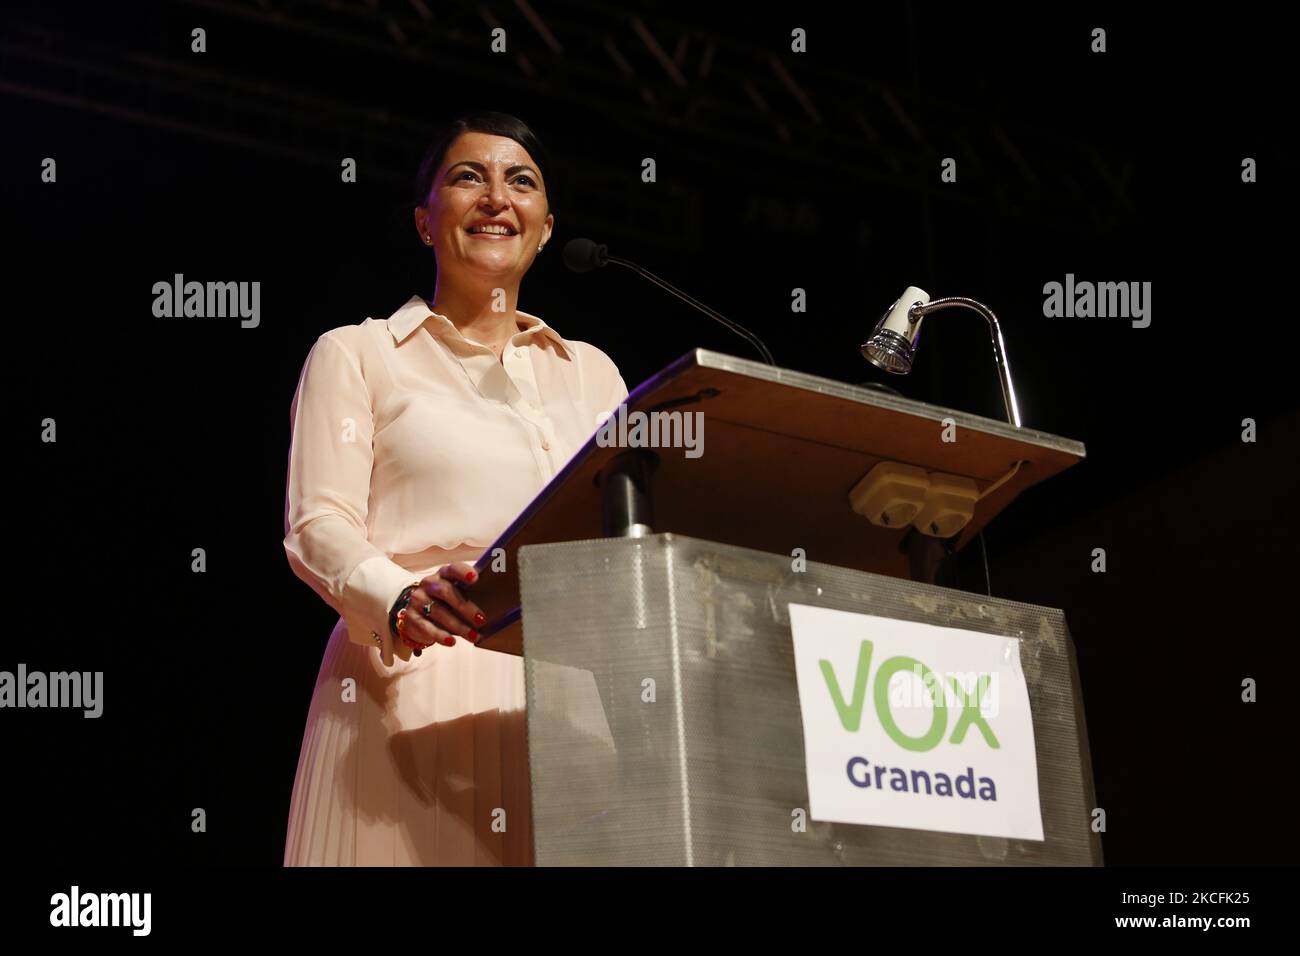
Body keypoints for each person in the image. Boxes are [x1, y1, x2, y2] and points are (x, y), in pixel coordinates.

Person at [281, 112, 628, 865]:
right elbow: (317, 526)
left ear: (544, 228)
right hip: (410, 685)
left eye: (522, 182)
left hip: (566, 708)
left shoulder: (593, 374)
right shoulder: (358, 353)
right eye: (468, 177)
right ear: (424, 221)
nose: (497, 197)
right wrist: (399, 601)